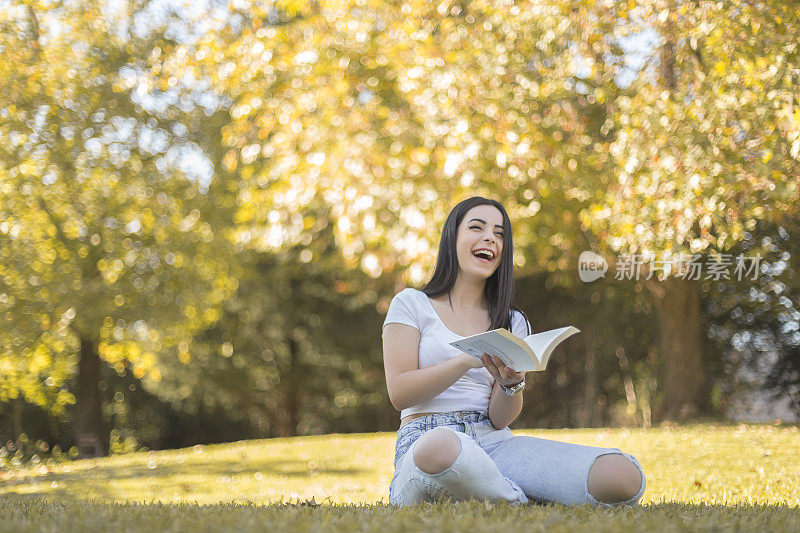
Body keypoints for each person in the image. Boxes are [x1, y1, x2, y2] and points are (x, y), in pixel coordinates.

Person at [381, 196, 646, 507]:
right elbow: (400, 392)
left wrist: (511, 383)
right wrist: (468, 359)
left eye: (499, 233)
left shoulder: (511, 321)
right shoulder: (411, 303)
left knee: (621, 475)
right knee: (440, 447)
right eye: (477, 227)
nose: (490, 237)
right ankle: (517, 501)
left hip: (493, 444)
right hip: (423, 442)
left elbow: (499, 419)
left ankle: (491, 493)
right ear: (451, 238)